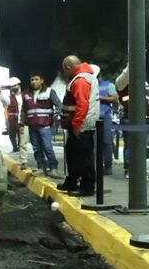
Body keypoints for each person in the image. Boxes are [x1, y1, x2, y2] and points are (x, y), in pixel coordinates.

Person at [56, 55, 100, 196]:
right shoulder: (85, 77)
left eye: (64, 70)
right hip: (80, 124)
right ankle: (72, 181)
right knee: (73, 154)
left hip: (82, 125)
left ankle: (87, 187)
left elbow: (82, 105)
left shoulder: (80, 80)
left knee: (84, 157)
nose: (64, 73)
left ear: (68, 67)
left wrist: (76, 125)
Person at [22, 71, 60, 176]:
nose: (34, 82)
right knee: (37, 149)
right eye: (32, 80)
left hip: (45, 126)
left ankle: (53, 168)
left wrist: (58, 116)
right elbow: (23, 110)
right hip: (32, 126)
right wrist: (22, 123)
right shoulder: (26, 94)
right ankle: (41, 167)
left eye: (36, 79)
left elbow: (59, 105)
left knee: (47, 147)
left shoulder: (49, 92)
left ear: (42, 81)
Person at [97, 74, 119, 174]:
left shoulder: (108, 85)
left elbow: (115, 98)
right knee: (93, 143)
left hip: (105, 116)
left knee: (107, 142)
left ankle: (108, 166)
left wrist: (100, 97)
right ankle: (96, 166)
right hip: (92, 117)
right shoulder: (88, 85)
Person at [0, 77, 22, 154]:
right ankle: (15, 148)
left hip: (21, 118)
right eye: (11, 86)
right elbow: (4, 101)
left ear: (19, 85)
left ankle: (20, 147)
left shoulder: (24, 96)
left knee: (21, 135)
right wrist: (0, 92)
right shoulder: (10, 98)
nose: (13, 87)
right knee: (12, 134)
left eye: (14, 85)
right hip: (12, 119)